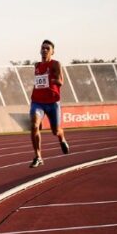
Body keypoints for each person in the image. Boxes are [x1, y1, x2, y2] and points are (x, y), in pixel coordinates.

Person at [29, 39, 70, 168]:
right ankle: (38, 156)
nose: (44, 50)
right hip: (37, 102)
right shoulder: (36, 65)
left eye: (47, 48)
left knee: (55, 131)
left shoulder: (56, 64)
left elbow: (60, 82)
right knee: (35, 126)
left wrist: (49, 79)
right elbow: (38, 82)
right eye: (43, 48)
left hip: (53, 102)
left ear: (52, 51)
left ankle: (62, 138)